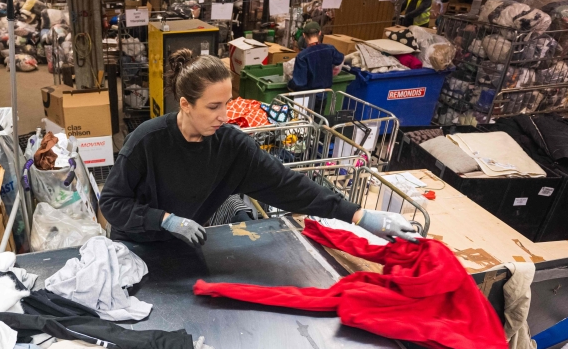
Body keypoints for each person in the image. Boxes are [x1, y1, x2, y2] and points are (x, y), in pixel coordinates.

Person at [99, 49, 420, 247]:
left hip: (184, 246)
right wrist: (164, 219)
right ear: (185, 104)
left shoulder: (230, 147)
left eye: (226, 104)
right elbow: (111, 204)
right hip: (136, 245)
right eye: (213, 107)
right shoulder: (147, 141)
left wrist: (358, 214)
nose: (224, 116)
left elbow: (288, 185)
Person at [289, 21, 344, 92]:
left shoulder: (302, 56)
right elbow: (340, 59)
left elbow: (300, 82)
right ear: (320, 33)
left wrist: (290, 84)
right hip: (324, 94)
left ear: (304, 35)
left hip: (307, 96)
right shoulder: (330, 49)